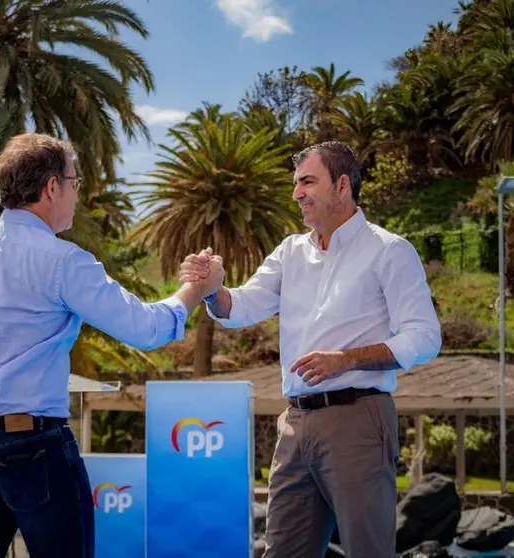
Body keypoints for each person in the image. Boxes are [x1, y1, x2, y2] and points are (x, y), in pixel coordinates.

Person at [0, 133, 223, 558]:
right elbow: (146, 329)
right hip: (33, 446)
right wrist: (194, 289)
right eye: (75, 183)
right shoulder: (63, 260)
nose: (78, 195)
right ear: (52, 187)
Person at [179, 141, 442, 558]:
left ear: (341, 184)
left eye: (307, 181)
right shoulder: (290, 252)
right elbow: (242, 305)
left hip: (358, 419)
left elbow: (425, 336)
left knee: (367, 551)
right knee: (282, 551)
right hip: (295, 424)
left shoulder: (390, 250)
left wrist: (348, 359)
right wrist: (213, 291)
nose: (297, 193)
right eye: (296, 184)